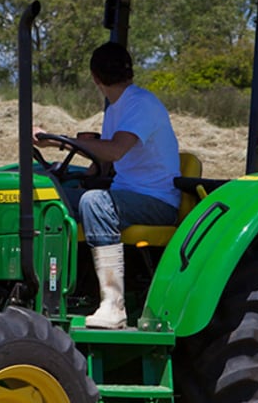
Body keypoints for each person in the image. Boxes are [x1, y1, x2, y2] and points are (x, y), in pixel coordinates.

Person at [34, 42, 180, 329]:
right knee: (47, 194)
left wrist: (64, 141)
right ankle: (44, 291)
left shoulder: (141, 104)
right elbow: (101, 164)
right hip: (124, 195)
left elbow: (114, 151)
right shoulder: (117, 108)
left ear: (94, 77)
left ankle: (113, 305)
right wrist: (57, 149)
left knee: (94, 202)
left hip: (156, 202)